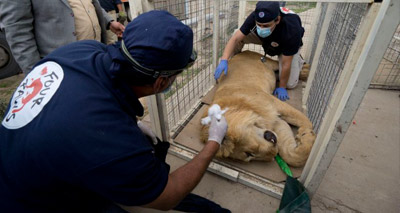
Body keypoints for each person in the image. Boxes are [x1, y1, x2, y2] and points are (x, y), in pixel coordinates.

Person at [0, 10, 229, 212]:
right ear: (161, 83)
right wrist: (214, 142)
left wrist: (129, 124)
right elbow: (167, 196)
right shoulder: (106, 137)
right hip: (32, 203)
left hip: (18, 164)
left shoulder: (82, 50)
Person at [0, 0, 126, 75]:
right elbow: (17, 31)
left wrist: (109, 22)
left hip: (96, 57)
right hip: (62, 67)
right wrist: (37, 75)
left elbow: (90, 4)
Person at [214, 1, 304, 101]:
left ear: (277, 20)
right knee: (237, 34)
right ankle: (233, 62)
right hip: (266, 39)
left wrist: (282, 87)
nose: (261, 28)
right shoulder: (256, 16)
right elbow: (235, 39)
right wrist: (224, 60)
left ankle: (298, 61)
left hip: (284, 45)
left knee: (290, 84)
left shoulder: (291, 29)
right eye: (259, 24)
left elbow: (286, 63)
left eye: (265, 25)